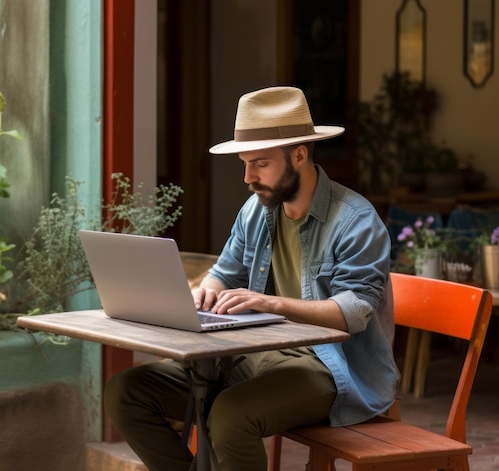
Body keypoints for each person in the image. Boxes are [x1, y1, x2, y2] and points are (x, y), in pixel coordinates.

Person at [104, 86, 399, 471]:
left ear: (299, 155)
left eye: (260, 164)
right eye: (245, 164)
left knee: (229, 416)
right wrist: (199, 296)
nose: (248, 177)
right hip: (254, 355)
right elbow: (223, 275)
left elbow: (354, 313)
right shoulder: (256, 210)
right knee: (126, 392)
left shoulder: (356, 221)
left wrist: (269, 304)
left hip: (330, 369)